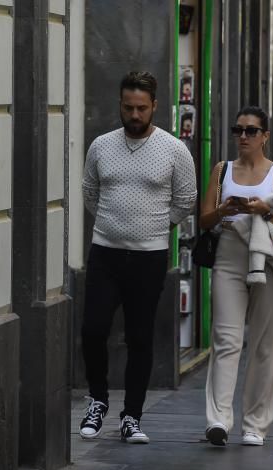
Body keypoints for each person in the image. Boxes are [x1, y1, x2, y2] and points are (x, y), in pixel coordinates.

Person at [80, 71, 197, 443]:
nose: (134, 114)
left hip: (149, 257)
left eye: (141, 108)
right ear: (120, 104)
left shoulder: (174, 149)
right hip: (105, 253)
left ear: (155, 107)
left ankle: (132, 415)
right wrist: (112, 224)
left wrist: (158, 227)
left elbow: (186, 199)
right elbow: (89, 191)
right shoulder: (101, 145)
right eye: (128, 107)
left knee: (140, 337)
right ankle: (97, 400)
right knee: (92, 330)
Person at [199, 106, 273, 447]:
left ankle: (255, 423)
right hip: (229, 254)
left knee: (266, 344)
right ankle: (218, 419)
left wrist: (264, 210)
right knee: (226, 339)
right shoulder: (222, 170)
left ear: (265, 136)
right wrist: (223, 210)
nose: (243, 137)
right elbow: (204, 220)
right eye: (238, 130)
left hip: (267, 258)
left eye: (251, 131)